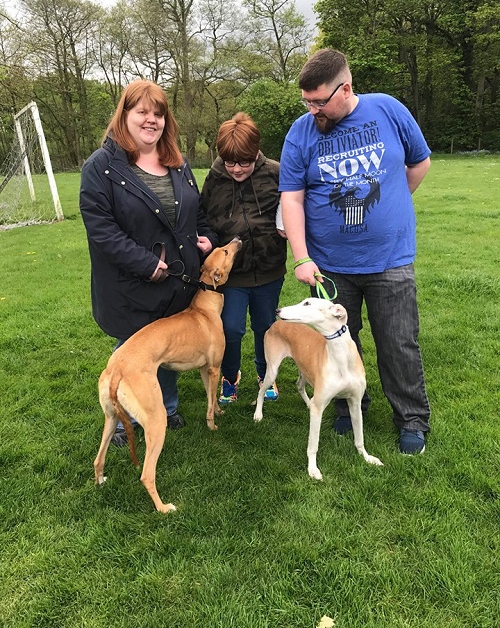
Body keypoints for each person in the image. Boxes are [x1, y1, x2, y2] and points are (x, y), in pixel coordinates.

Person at [279, 49, 431, 455]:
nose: (312, 110)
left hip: (390, 258)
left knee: (398, 342)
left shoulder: (388, 110)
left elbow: (419, 164)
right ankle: (350, 406)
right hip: (329, 265)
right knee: (340, 340)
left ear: (345, 88)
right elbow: (291, 198)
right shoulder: (301, 132)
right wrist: (302, 257)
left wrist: (392, 208)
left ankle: (412, 419)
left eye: (319, 101)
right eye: (306, 101)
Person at [80, 79, 218, 447]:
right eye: (142, 112)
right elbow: (101, 229)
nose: (151, 120)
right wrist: (145, 263)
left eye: (158, 113)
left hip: (177, 280)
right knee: (134, 350)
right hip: (131, 286)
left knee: (167, 346)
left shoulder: (176, 161)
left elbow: (195, 212)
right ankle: (125, 418)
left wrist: (205, 238)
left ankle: (166, 407)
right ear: (124, 115)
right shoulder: (101, 167)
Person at [201, 112, 287, 405]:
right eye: (230, 162)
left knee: (265, 326)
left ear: (256, 154)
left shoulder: (276, 172)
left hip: (269, 269)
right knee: (231, 328)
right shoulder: (214, 179)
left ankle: (266, 376)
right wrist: (209, 243)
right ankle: (230, 376)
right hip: (231, 276)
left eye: (244, 162)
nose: (237, 169)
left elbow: (294, 206)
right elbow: (204, 219)